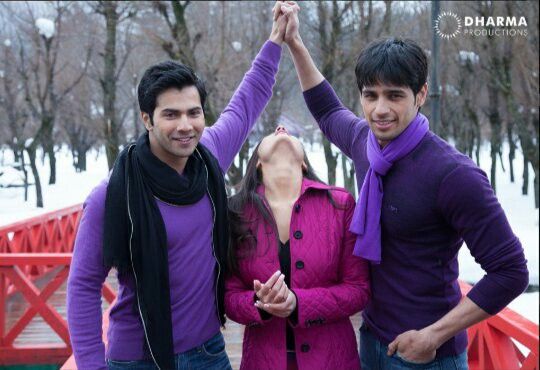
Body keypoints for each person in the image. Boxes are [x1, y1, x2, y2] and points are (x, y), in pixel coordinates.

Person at [277, 2, 529, 369]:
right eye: (370, 95)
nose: (380, 109)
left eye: (394, 95)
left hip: (427, 354)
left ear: (421, 94)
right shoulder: (366, 144)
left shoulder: (453, 174)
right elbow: (327, 110)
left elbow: (511, 270)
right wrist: (296, 44)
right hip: (373, 339)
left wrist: (434, 335)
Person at [66, 7, 287, 370]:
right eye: (171, 114)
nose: (186, 125)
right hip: (138, 358)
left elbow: (247, 102)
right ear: (147, 119)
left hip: (208, 351)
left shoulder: (208, 158)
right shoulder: (112, 195)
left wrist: (276, 38)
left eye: (194, 112)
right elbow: (83, 287)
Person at [224, 125, 370, 370]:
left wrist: (298, 304)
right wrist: (259, 303)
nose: (281, 129)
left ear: (303, 163)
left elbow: (359, 289)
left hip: (332, 361)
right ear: (258, 162)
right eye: (273, 133)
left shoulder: (341, 204)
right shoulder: (235, 212)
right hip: (262, 361)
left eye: (290, 134)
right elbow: (228, 297)